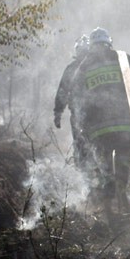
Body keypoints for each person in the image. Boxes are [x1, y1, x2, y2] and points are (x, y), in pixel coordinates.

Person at [72, 27, 130, 224]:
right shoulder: (121, 58)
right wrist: (123, 82)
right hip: (122, 124)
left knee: (105, 168)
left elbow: (77, 95)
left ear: (93, 45)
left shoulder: (84, 65)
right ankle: (123, 201)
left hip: (98, 129)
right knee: (122, 164)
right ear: (109, 42)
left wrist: (81, 124)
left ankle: (108, 211)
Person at [53, 35, 90, 165]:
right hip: (82, 114)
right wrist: (58, 112)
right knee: (83, 145)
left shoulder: (72, 68)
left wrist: (58, 113)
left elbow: (62, 91)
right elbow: (63, 90)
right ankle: (86, 172)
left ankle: (85, 172)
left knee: (82, 145)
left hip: (84, 115)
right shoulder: (73, 69)